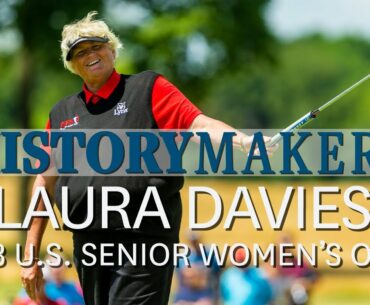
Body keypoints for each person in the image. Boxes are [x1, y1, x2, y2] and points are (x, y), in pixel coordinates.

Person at [20, 11, 277, 305]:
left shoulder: (148, 88)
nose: (90, 55)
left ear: (112, 50)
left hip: (145, 235)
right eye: (80, 52)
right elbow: (44, 180)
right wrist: (30, 253)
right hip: (89, 240)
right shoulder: (62, 113)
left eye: (96, 46)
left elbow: (197, 124)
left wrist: (243, 141)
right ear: (72, 65)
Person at [173, 232, 220, 305]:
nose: (194, 243)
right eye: (192, 241)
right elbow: (180, 280)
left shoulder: (211, 255)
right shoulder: (183, 257)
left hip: (205, 294)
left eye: (196, 240)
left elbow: (217, 275)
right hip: (186, 294)